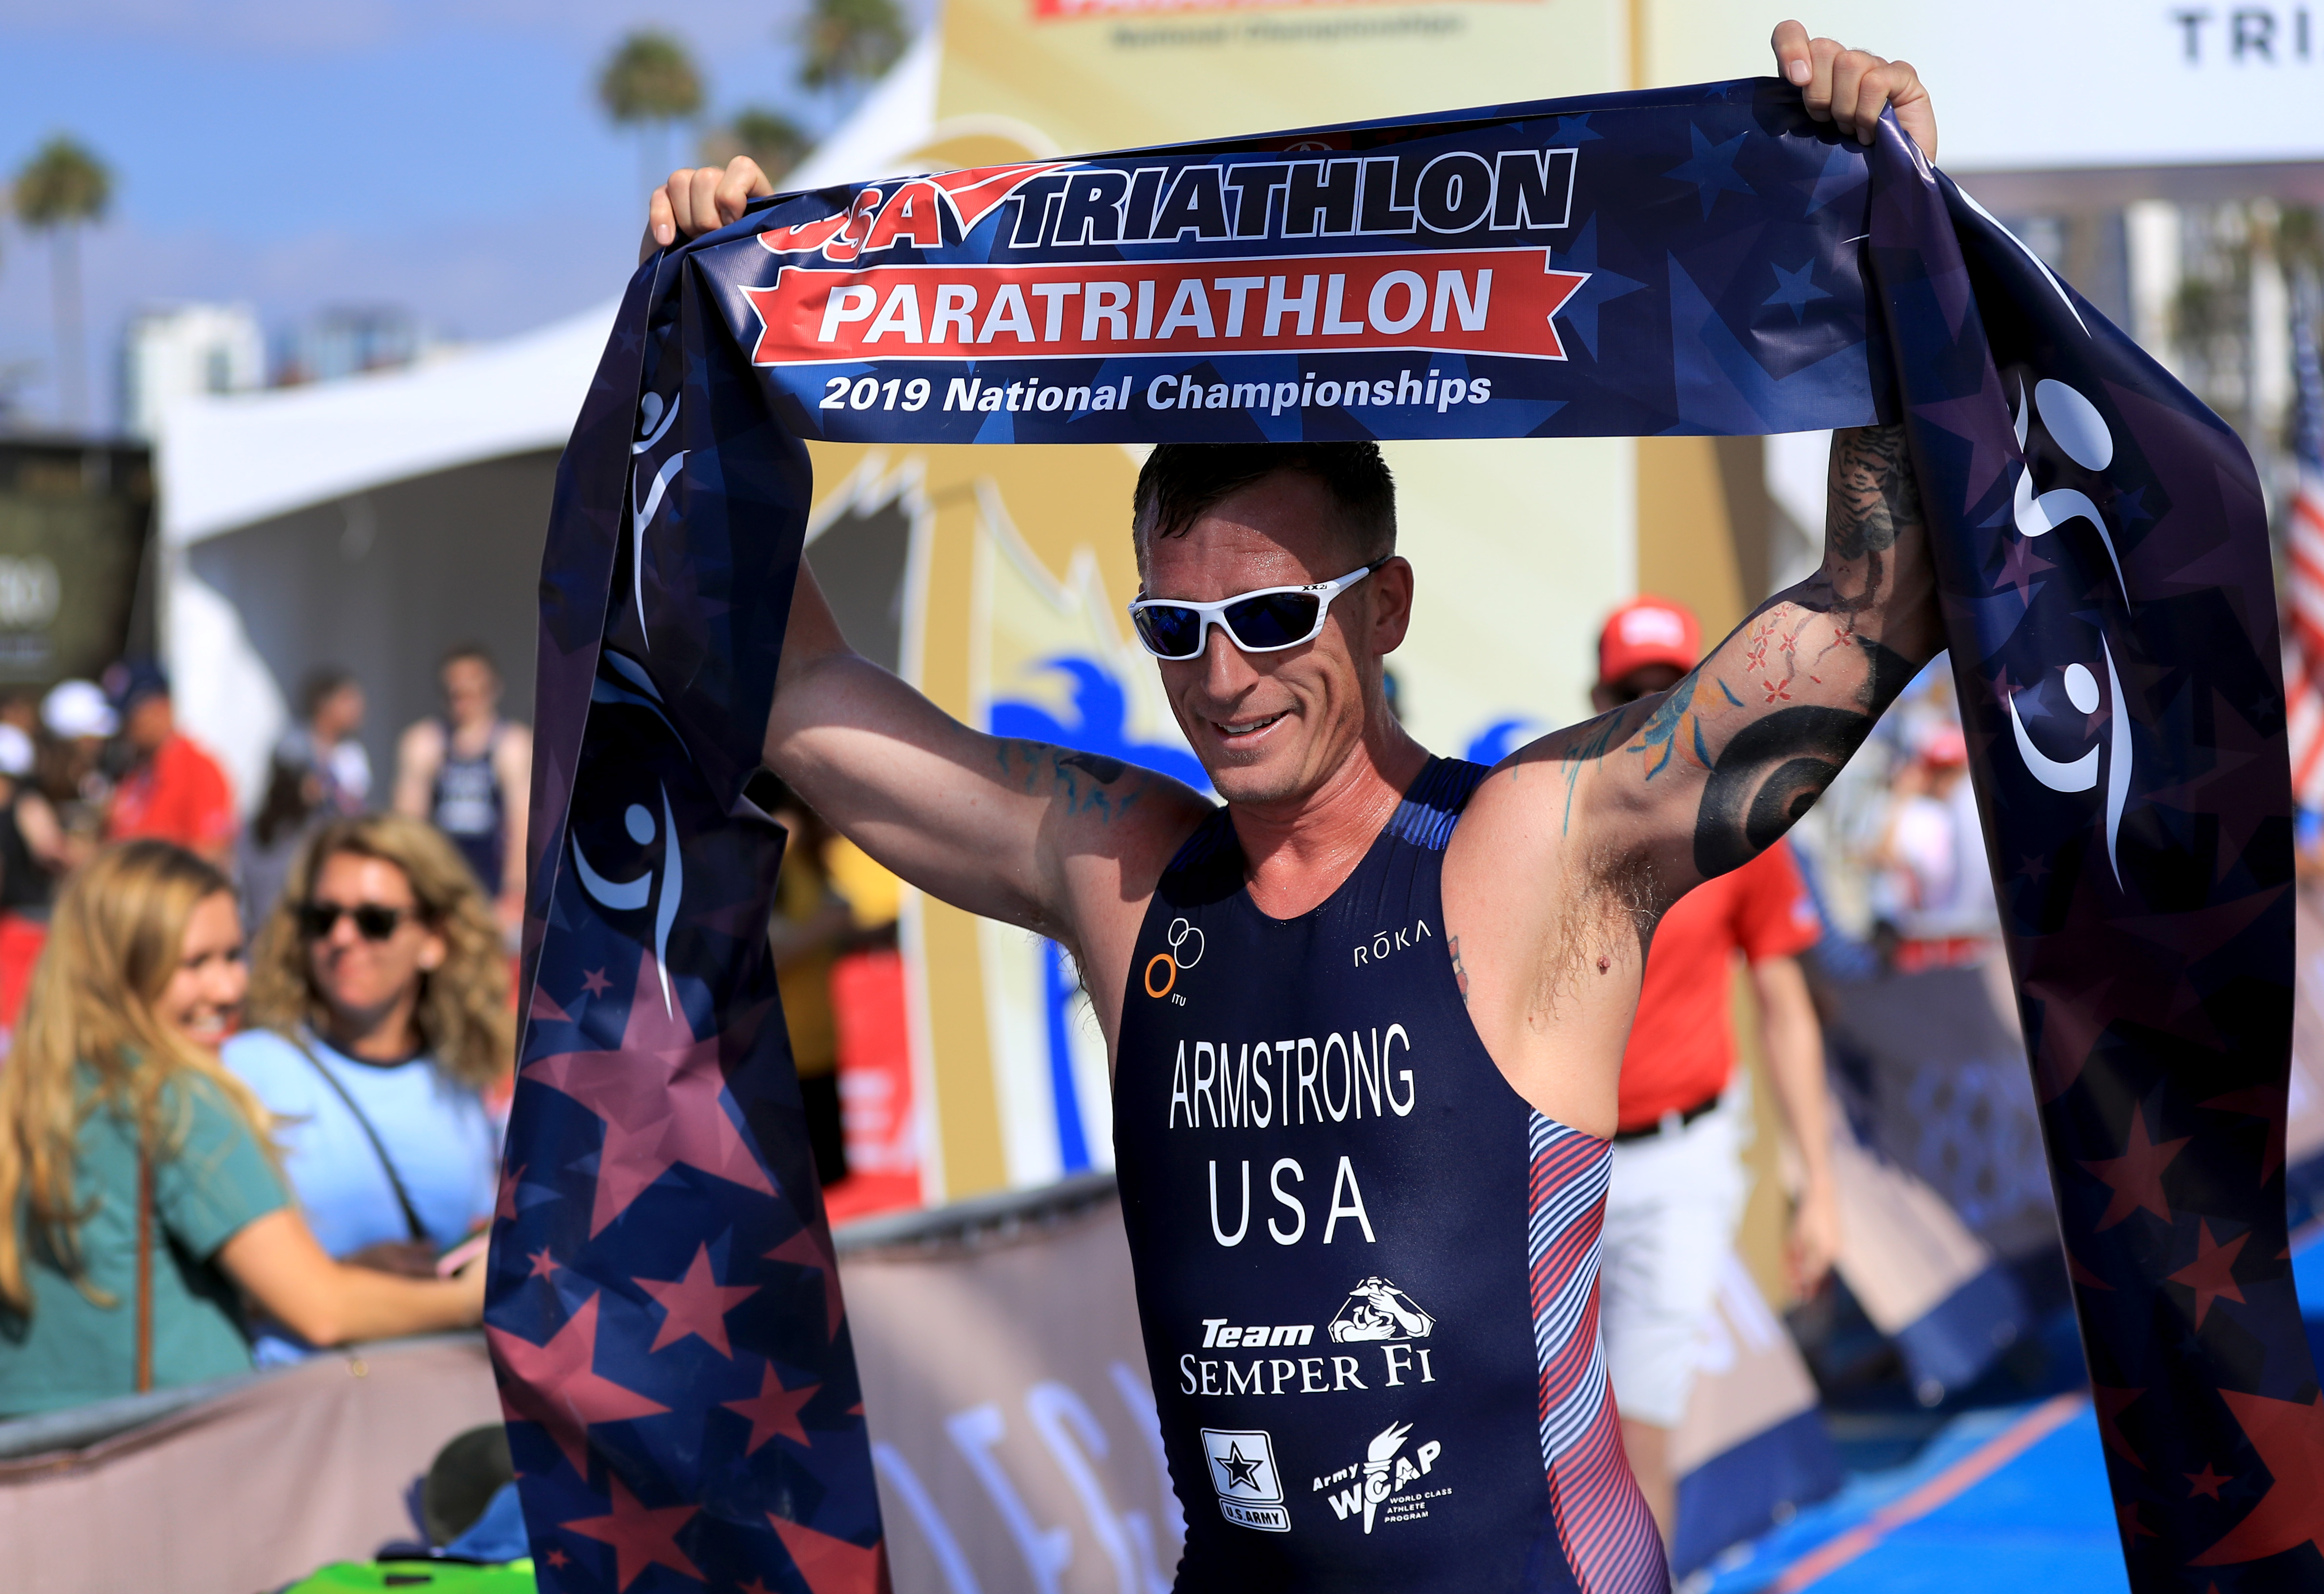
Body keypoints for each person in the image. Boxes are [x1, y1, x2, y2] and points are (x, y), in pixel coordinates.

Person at [648, 27, 1935, 1590]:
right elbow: (793, 701)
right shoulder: (1122, 869)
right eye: (1173, 631)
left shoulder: (1531, 846)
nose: (1223, 679)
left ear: (1382, 605)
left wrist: (1892, 241)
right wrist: (722, 360)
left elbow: (1877, 604)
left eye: (1270, 620)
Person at [0, 842, 485, 1417]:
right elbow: (321, 1309)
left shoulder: (32, 1090)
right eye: (196, 963)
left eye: (233, 956)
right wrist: (471, 1298)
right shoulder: (174, 1098)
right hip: (162, 1458)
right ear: (121, 966)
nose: (229, 989)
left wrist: (336, 1275)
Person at [1585, 597, 1839, 1546]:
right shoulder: (1556, 822)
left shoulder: (1743, 824)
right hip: (1552, 1168)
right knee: (1555, 1443)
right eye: (1629, 691)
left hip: (1679, 1169)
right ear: (1598, 697)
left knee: (1638, 1436)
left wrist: (1819, 1185)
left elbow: (1785, 1009)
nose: (1651, 710)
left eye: (1670, 690)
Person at [225, 816, 509, 1287]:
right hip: (298, 1359)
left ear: (435, 940)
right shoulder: (247, 1069)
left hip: (432, 1356)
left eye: (375, 922)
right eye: (323, 918)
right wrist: (340, 1280)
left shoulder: (465, 1079)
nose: (341, 938)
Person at [394, 646, 531, 936]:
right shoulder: (424, 743)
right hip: (441, 879)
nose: (464, 702)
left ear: (492, 690)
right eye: (455, 693)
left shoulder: (512, 745)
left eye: (473, 692)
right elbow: (407, 824)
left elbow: (522, 822)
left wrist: (514, 892)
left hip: (493, 882)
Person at [241, 669, 373, 932]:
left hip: (328, 858)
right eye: (348, 699)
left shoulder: (351, 754)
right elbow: (291, 794)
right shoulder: (294, 745)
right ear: (325, 705)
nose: (359, 707)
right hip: (284, 858)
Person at [1873, 718, 2000, 971]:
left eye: (1950, 770)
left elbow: (1884, 855)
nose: (1944, 779)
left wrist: (1901, 798)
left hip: (1962, 940)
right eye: (1938, 770)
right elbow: (1886, 856)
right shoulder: (1929, 815)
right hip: (1948, 940)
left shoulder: (1951, 810)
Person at [102, 662, 238, 870]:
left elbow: (210, 857)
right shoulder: (133, 772)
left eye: (131, 714)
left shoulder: (199, 770)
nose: (125, 725)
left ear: (162, 706)